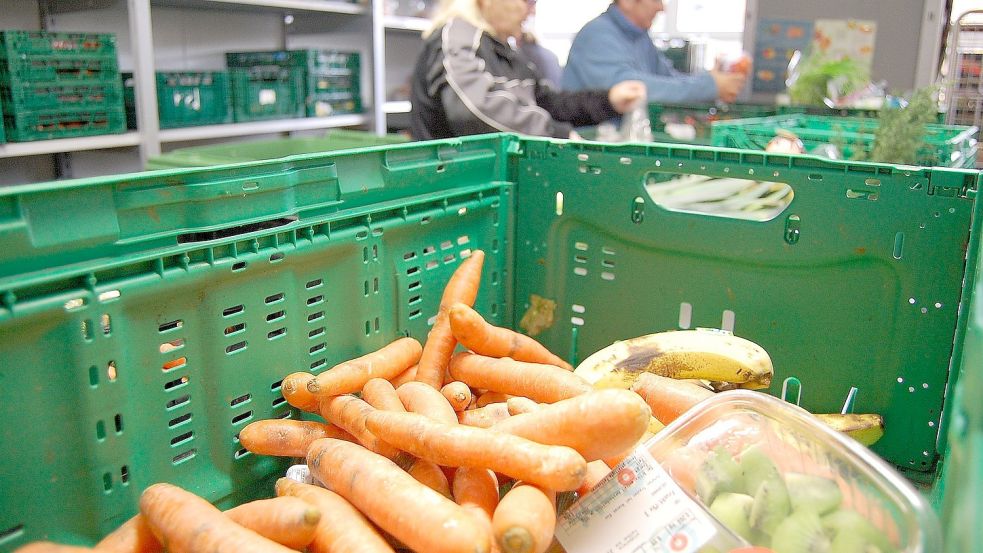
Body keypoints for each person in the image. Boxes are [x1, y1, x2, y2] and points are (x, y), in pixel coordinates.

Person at [410, 0, 646, 141]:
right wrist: (555, 135)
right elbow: (474, 109)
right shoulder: (456, 36)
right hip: (451, 189)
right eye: (527, 0)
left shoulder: (504, 50)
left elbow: (548, 102)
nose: (531, 10)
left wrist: (609, 100)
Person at [561, 0, 747, 104]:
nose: (662, 7)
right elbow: (634, 90)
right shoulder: (597, 36)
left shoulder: (640, 37)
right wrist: (710, 87)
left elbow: (668, 78)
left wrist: (710, 80)